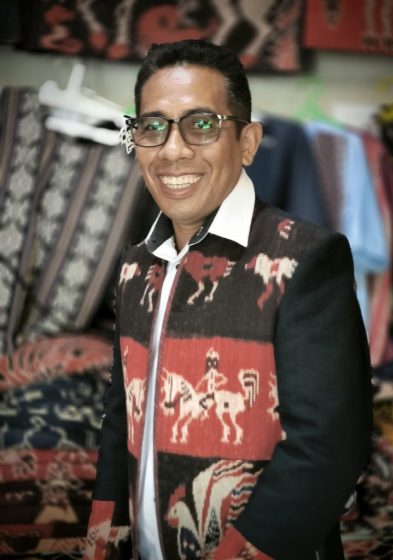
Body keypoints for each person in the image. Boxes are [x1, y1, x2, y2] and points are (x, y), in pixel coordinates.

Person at [84, 39, 372, 560]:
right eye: (152, 126)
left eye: (202, 124)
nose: (172, 150)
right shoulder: (134, 266)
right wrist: (103, 540)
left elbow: (328, 449)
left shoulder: (304, 258)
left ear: (248, 142)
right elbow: (120, 418)